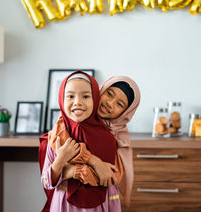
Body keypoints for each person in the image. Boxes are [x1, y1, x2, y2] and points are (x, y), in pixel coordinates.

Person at [40, 74, 141, 211]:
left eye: (119, 104)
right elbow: (47, 179)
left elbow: (111, 176)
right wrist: (84, 165)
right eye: (109, 94)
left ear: (125, 113)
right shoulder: (62, 129)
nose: (110, 104)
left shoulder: (115, 138)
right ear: (99, 92)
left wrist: (74, 169)